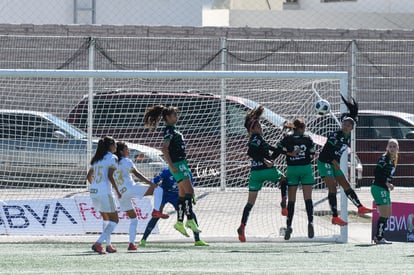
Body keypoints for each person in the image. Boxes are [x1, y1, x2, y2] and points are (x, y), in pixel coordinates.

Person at [144, 105, 201, 237]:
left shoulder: (173, 129)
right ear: (168, 117)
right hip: (178, 164)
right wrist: (172, 165)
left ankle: (180, 222)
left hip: (181, 164)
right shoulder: (169, 130)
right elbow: (164, 148)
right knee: (190, 192)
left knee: (182, 194)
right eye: (174, 115)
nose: (177, 117)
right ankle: (190, 220)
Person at [318, 97, 372, 226]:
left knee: (346, 185)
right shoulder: (335, 135)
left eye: (348, 125)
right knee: (332, 188)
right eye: (344, 124)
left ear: (352, 128)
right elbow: (327, 151)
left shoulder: (346, 138)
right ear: (341, 125)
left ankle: (360, 207)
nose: (346, 126)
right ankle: (335, 216)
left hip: (333, 163)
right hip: (325, 162)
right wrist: (334, 162)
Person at [237, 106, 287, 242]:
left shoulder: (258, 140)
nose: (262, 127)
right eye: (259, 126)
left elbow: (272, 154)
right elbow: (251, 153)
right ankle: (283, 203)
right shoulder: (256, 139)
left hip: (255, 174)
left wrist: (283, 150)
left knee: (250, 203)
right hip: (266, 171)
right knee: (284, 180)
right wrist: (264, 160)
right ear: (252, 129)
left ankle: (242, 226)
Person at [114, 141, 165, 251]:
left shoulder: (113, 163)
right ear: (122, 151)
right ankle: (156, 211)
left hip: (120, 194)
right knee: (159, 190)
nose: (128, 151)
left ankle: (131, 244)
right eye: (127, 149)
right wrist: (150, 183)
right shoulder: (126, 161)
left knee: (134, 219)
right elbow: (136, 173)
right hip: (130, 189)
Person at [139, 167, 209, 247]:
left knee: (190, 214)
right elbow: (154, 180)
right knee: (157, 215)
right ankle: (143, 240)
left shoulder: (186, 171)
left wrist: (192, 195)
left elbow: (190, 185)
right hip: (164, 194)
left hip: (177, 195)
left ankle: (197, 240)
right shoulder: (167, 171)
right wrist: (152, 186)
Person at [276, 118, 316, 240]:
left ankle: (289, 226)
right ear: (300, 128)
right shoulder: (308, 139)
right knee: (308, 198)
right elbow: (313, 152)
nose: (305, 130)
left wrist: (289, 153)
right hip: (305, 168)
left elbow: (278, 147)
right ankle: (310, 222)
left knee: (292, 200)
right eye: (304, 127)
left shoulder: (287, 138)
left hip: (292, 169)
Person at [86, 136, 121, 254]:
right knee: (115, 220)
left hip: (94, 191)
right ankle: (98, 243)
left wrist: (96, 186)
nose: (116, 146)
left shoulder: (97, 158)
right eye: (114, 144)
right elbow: (110, 176)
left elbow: (88, 176)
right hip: (104, 192)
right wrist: (117, 191)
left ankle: (109, 245)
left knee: (106, 219)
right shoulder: (113, 158)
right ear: (110, 146)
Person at [371, 139, 399, 244]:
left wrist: (389, 184)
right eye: (390, 146)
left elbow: (387, 175)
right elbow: (377, 172)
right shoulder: (384, 158)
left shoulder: (393, 159)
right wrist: (387, 184)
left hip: (384, 188)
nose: (392, 148)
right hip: (378, 187)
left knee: (388, 213)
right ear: (387, 148)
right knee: (384, 213)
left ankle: (380, 236)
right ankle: (378, 237)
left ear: (397, 148)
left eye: (394, 146)